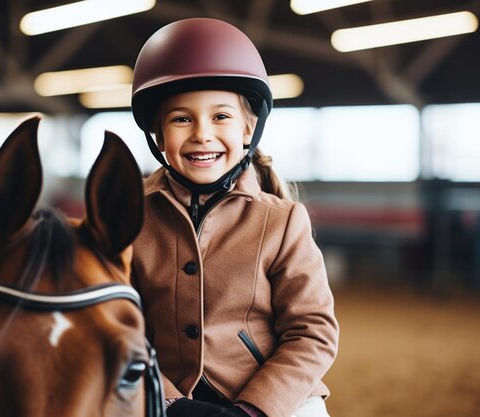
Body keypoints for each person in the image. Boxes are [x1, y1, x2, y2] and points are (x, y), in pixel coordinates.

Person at [130, 18, 339, 417]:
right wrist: (169, 400)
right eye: (181, 119)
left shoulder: (283, 222)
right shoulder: (129, 218)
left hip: (277, 400)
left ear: (249, 127)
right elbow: (117, 325)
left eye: (220, 117)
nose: (202, 134)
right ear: (157, 134)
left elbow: (313, 332)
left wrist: (254, 409)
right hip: (164, 399)